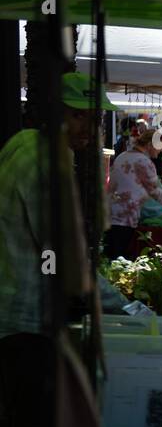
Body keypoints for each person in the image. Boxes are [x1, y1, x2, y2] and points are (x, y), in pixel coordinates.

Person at [0, 73, 111, 338]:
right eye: (77, 115)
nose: (88, 127)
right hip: (21, 317)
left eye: (94, 118)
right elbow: (62, 254)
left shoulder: (26, 142)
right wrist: (127, 306)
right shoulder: (45, 163)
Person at [104, 126, 162, 260]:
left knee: (111, 260)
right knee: (120, 261)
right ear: (150, 145)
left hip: (110, 215)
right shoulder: (143, 161)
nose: (160, 151)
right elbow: (156, 192)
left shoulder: (122, 156)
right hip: (125, 218)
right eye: (159, 146)